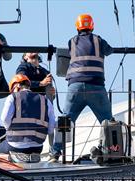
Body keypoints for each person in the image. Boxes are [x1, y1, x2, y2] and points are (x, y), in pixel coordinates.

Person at [49, 13, 115, 161]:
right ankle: (113, 152)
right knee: (108, 122)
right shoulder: (98, 40)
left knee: (66, 121)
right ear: (92, 26)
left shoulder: (72, 41)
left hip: (76, 87)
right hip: (96, 87)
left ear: (77, 27)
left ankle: (55, 153)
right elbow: (109, 50)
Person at [0, 74, 56, 155]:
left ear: (16, 86)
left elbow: (4, 119)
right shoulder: (45, 100)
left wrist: (9, 128)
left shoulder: (13, 97)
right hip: (37, 147)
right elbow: (51, 127)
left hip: (15, 146)